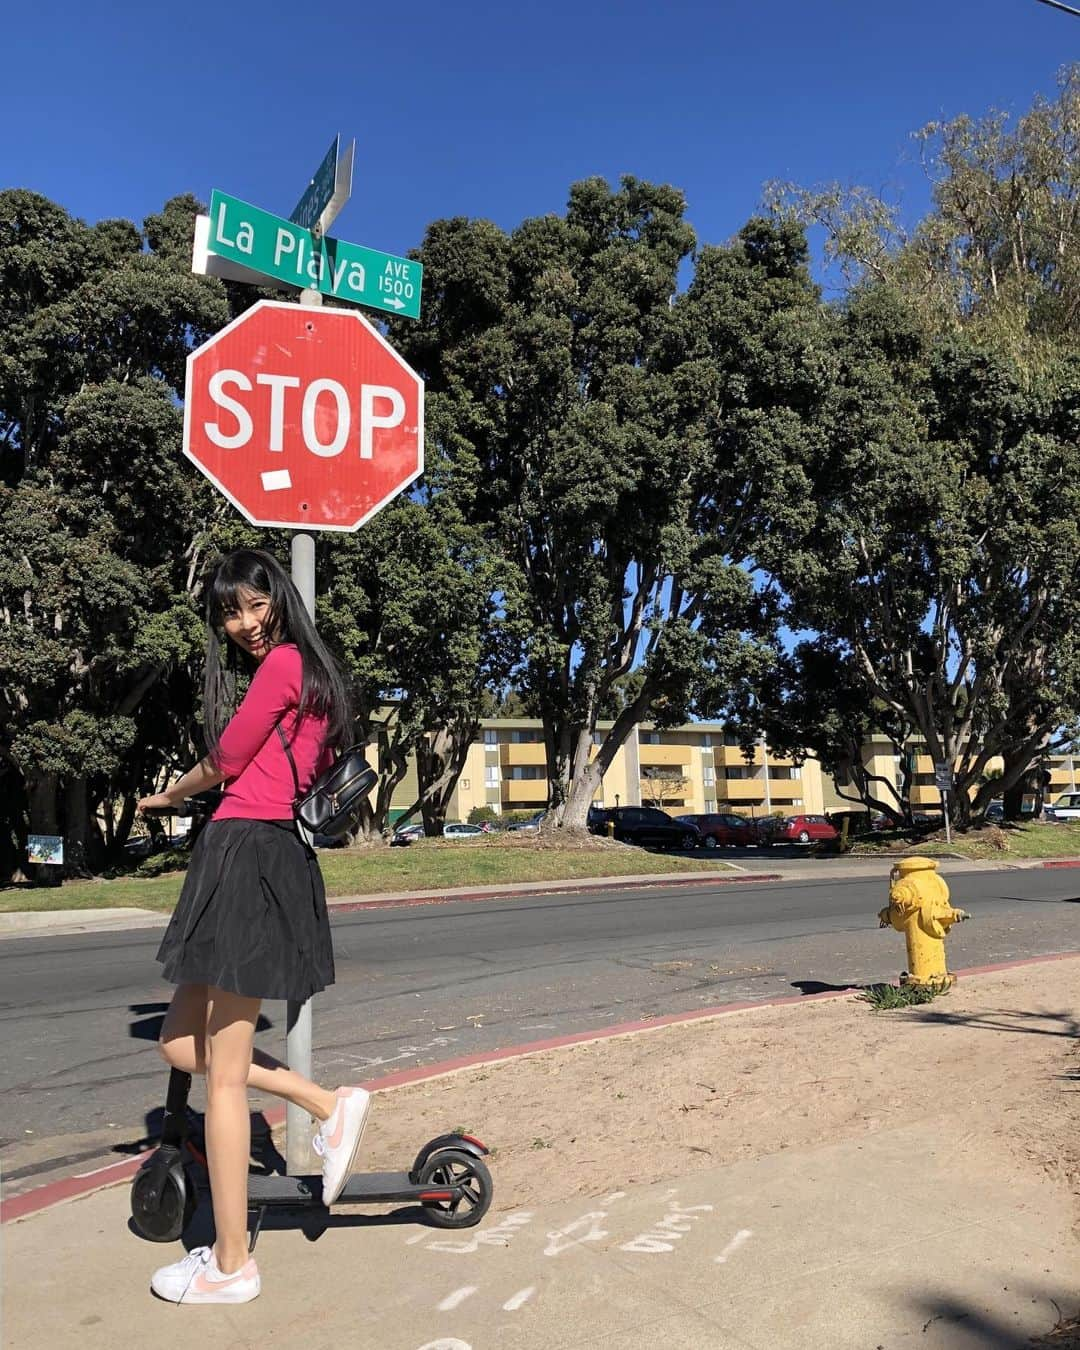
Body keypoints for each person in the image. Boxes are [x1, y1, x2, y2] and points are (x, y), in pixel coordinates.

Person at [138, 548, 370, 1305]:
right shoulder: (318, 677)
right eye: (230, 613)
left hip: (248, 854)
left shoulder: (286, 666)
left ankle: (231, 1265)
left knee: (226, 1082)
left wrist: (172, 792)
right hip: (249, 853)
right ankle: (326, 1104)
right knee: (180, 1040)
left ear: (280, 597)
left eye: (254, 604)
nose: (243, 624)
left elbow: (232, 757)